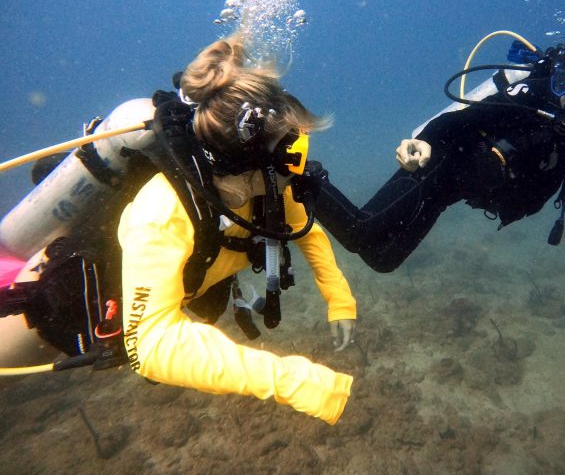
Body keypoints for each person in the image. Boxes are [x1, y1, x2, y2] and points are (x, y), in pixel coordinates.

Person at [0, 33, 357, 425]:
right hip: (56, 303)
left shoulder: (267, 188)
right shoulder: (162, 213)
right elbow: (150, 347)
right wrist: (293, 382)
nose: (302, 167)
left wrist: (339, 300)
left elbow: (306, 232)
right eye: (295, 153)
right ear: (247, 165)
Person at [295, 27, 565, 273]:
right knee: (359, 232)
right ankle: (297, 169)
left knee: (382, 260)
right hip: (440, 161)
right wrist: (423, 141)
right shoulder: (536, 92)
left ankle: (298, 176)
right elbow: (462, 119)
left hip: (453, 191)